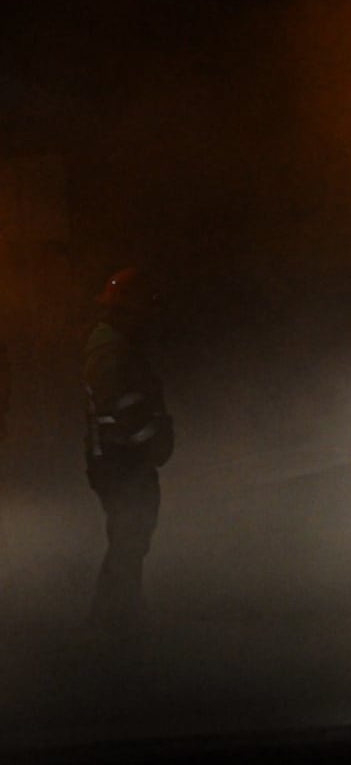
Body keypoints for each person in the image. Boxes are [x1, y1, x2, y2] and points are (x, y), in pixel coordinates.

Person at [82, 267, 174, 641]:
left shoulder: (116, 341)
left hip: (123, 458)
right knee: (129, 537)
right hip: (120, 461)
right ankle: (112, 625)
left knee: (132, 538)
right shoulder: (109, 345)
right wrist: (151, 439)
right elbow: (118, 403)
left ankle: (122, 617)